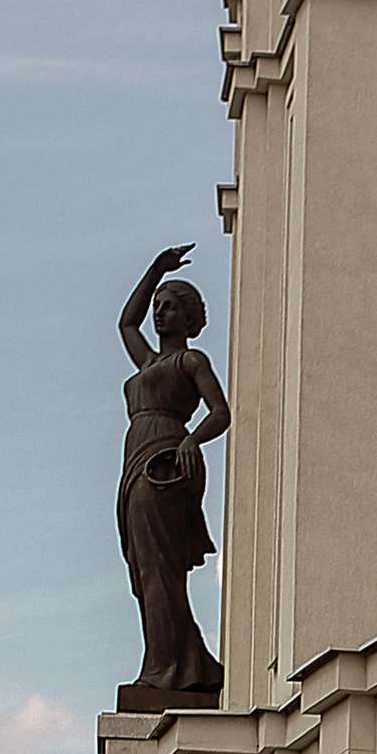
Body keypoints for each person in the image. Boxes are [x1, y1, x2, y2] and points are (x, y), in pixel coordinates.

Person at [117, 247, 232, 709]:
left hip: (164, 462)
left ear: (189, 319)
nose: (159, 312)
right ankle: (187, 666)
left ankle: (163, 670)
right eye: (158, 305)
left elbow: (220, 412)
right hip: (136, 460)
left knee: (160, 569)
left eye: (170, 305)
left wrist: (190, 442)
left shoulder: (191, 362)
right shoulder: (147, 363)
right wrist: (155, 271)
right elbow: (127, 323)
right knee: (145, 571)